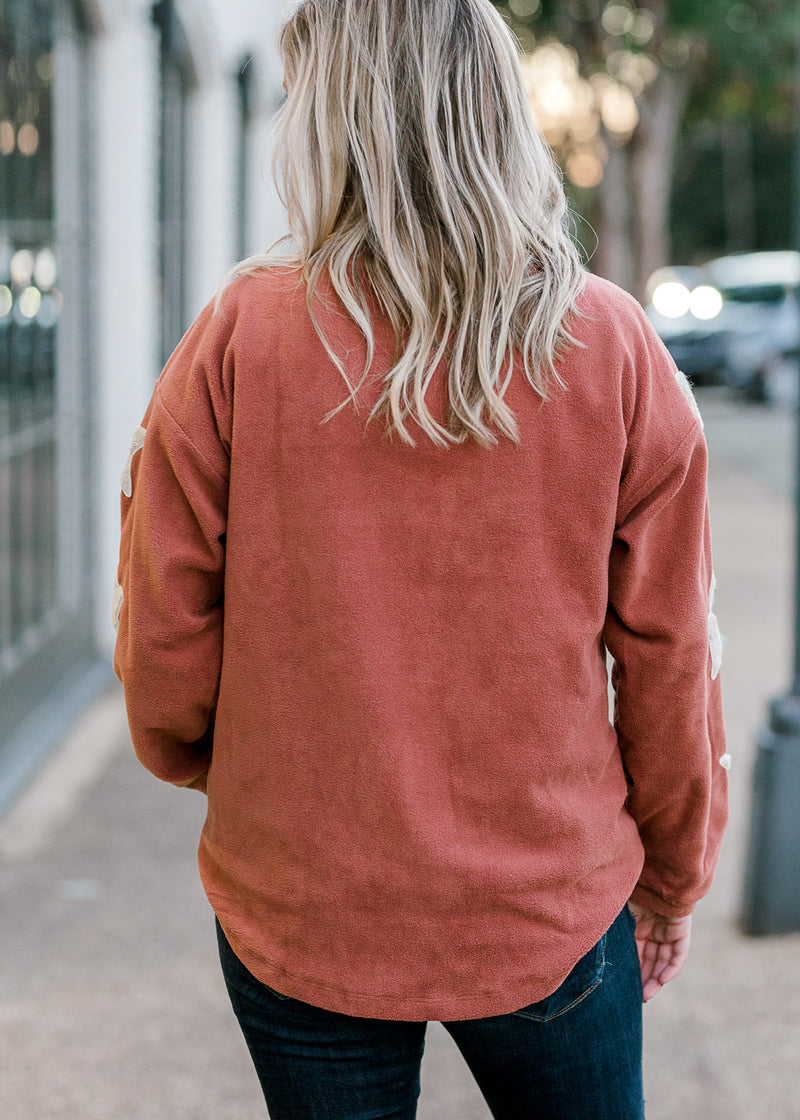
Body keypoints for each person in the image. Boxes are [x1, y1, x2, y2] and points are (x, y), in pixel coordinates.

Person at [113, 1, 729, 1116]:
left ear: (332, 119)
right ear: (497, 111)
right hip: (548, 900)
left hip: (300, 895)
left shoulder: (238, 337)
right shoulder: (611, 345)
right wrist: (675, 873)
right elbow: (670, 652)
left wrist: (231, 770)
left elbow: (163, 631)